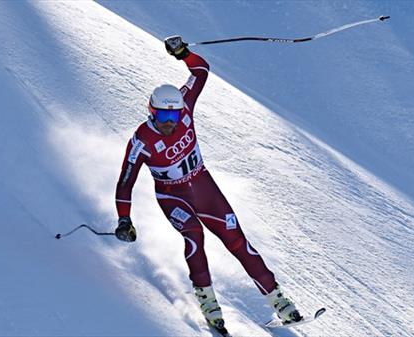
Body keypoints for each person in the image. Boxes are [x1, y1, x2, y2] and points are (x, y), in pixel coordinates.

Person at [114, 36, 301, 330]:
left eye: (173, 114)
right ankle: (208, 303)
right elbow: (126, 181)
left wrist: (183, 53)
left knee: (236, 239)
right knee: (194, 236)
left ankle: (278, 299)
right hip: (172, 195)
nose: (169, 121)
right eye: (162, 115)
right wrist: (124, 219)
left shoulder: (184, 106)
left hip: (202, 185)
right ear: (152, 112)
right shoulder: (142, 140)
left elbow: (200, 72)